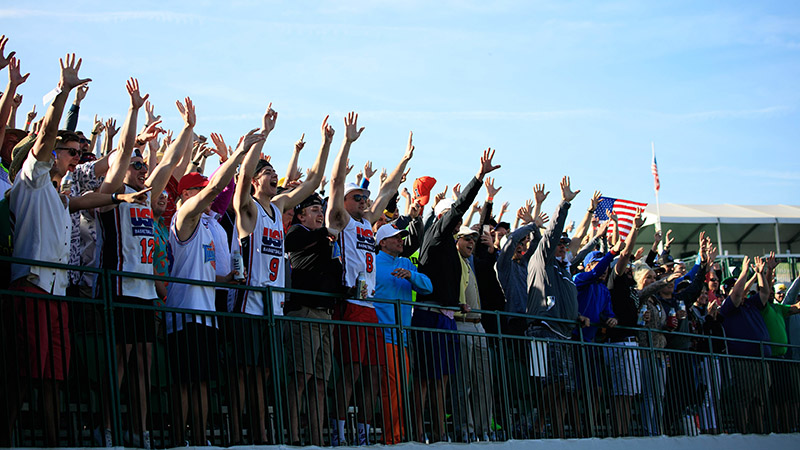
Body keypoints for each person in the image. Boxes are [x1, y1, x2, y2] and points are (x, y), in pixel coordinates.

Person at [4, 53, 149, 447]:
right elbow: (48, 132)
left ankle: (53, 442)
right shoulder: (31, 182)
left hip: (58, 292)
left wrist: (124, 197)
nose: (76, 158)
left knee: (54, 376)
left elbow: (86, 202)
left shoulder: (60, 192)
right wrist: (64, 92)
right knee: (27, 375)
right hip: (32, 287)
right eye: (70, 152)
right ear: (47, 154)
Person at [229, 106, 331, 444]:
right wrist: (263, 136)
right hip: (248, 304)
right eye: (268, 172)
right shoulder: (249, 209)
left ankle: (262, 434)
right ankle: (237, 434)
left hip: (273, 307)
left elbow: (314, 180)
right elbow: (241, 180)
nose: (275, 176)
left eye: (276, 171)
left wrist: (326, 142)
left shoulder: (279, 208)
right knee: (244, 373)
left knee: (266, 373)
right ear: (258, 180)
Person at [166, 127, 264, 446]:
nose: (206, 194)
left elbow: (212, 274)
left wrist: (230, 280)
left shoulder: (209, 226)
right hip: (183, 315)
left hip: (207, 316)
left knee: (203, 383)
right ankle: (182, 439)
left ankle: (201, 437)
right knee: (184, 383)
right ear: (184, 195)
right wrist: (236, 156)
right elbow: (215, 192)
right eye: (199, 190)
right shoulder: (184, 218)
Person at [325, 113, 414, 445]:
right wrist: (346, 143)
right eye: (357, 198)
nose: (364, 201)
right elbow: (335, 184)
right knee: (350, 373)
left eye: (365, 198)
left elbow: (388, 189)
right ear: (346, 203)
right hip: (350, 304)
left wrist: (403, 161)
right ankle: (339, 432)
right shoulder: (342, 220)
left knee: (374, 374)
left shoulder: (367, 224)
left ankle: (362, 430)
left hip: (371, 306)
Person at [413, 148, 499, 442]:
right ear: (442, 217)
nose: (455, 220)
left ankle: (439, 434)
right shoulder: (435, 235)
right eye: (450, 216)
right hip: (430, 317)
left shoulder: (449, 246)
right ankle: (418, 432)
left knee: (443, 381)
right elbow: (459, 209)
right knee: (426, 381)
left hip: (447, 316)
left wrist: (455, 301)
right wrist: (478, 179)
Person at [524, 176, 590, 438]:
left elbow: (579, 242)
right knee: (547, 383)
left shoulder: (564, 268)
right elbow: (550, 235)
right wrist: (563, 204)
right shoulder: (541, 258)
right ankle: (536, 427)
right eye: (559, 244)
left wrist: (578, 315)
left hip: (564, 332)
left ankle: (558, 432)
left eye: (564, 244)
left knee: (565, 386)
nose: (562, 247)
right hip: (542, 330)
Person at [373, 223, 432, 444]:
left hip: (403, 338)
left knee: (399, 387)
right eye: (395, 237)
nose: (401, 240)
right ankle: (393, 438)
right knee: (392, 388)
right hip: (383, 335)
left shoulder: (406, 263)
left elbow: (428, 287)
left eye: (401, 237)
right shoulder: (373, 262)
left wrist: (411, 276)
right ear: (383, 242)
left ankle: (397, 435)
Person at [452, 225, 495, 442]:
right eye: (466, 238)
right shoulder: (453, 261)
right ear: (456, 240)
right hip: (462, 324)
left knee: (483, 382)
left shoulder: (471, 263)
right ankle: (465, 429)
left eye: (473, 240)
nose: (471, 243)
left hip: (479, 326)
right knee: (464, 381)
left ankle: (482, 429)